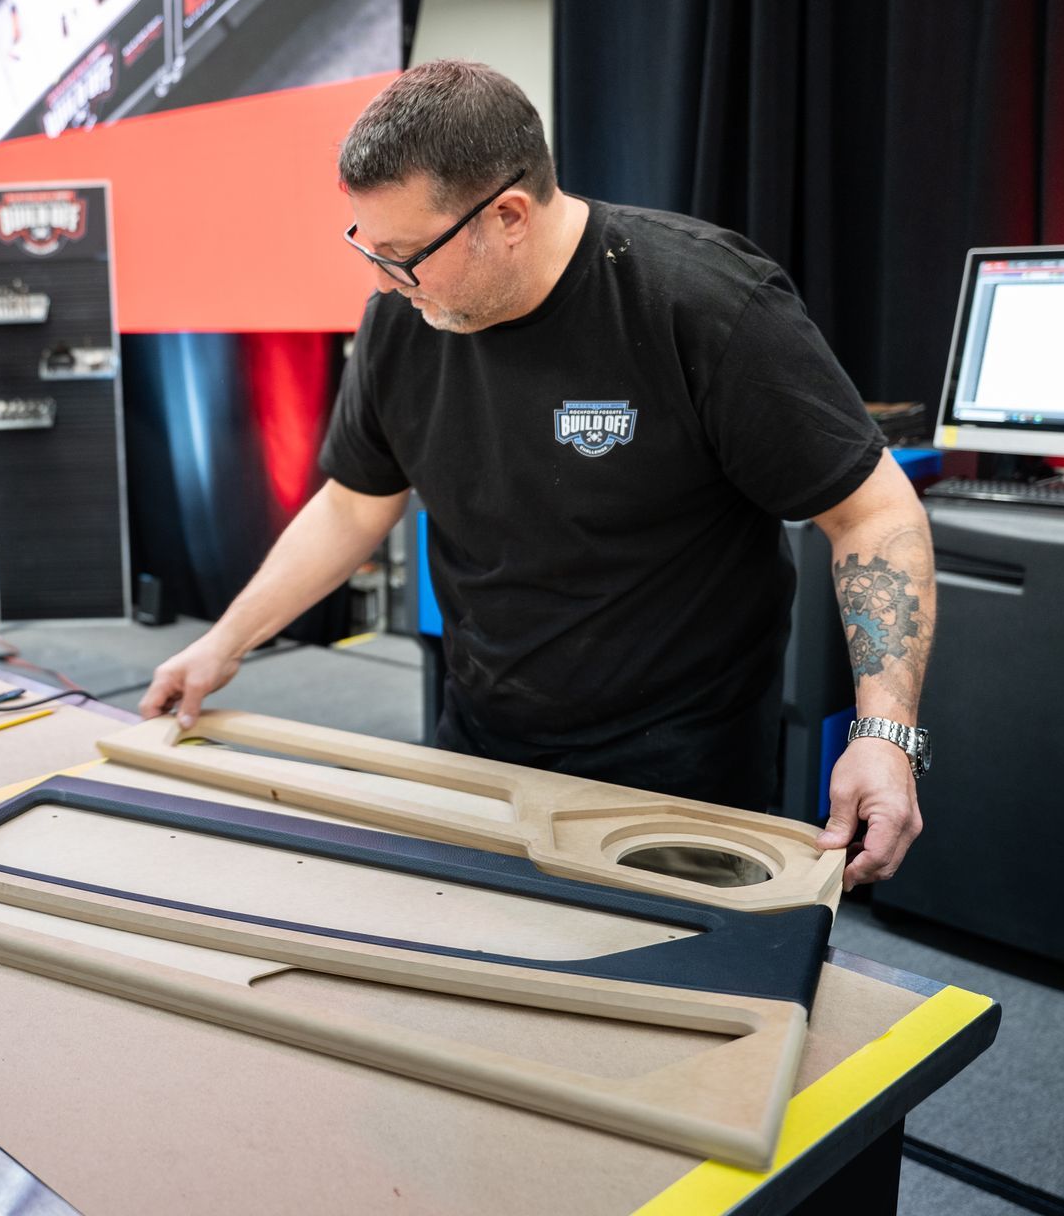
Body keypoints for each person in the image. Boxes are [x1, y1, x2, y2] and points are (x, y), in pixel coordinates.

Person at [141, 61, 935, 893]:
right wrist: (221, 643)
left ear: (509, 214)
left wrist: (885, 732)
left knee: (665, 1003)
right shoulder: (404, 321)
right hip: (485, 740)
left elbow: (875, 514)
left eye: (405, 254)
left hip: (679, 767)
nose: (381, 280)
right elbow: (350, 506)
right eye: (368, 249)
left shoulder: (702, 303)